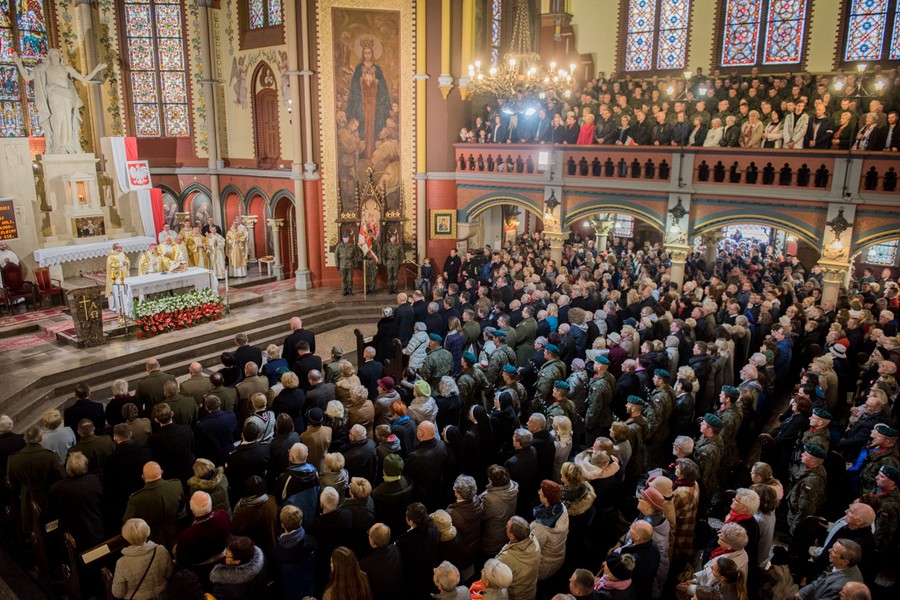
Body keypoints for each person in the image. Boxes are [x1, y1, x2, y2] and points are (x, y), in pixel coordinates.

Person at [11, 48, 106, 154]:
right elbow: (27, 77)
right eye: (53, 55)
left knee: (67, 121)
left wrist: (96, 70)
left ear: (60, 56)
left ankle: (67, 145)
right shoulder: (44, 68)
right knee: (57, 120)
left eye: (57, 55)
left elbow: (84, 79)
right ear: (49, 57)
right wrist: (18, 63)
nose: (55, 57)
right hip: (54, 95)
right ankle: (58, 146)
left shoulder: (66, 68)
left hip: (67, 96)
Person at [123, 461, 185, 550]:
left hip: (152, 543)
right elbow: (181, 507)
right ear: (162, 472)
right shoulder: (176, 485)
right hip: (176, 535)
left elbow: (128, 524)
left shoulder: (136, 499)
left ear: (143, 477)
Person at [111, 518, 173, 600]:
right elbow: (169, 573)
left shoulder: (122, 563)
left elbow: (118, 593)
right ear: (147, 531)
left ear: (127, 537)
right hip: (164, 595)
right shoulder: (161, 550)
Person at [209, 536, 267, 600]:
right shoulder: (262, 560)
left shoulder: (225, 584)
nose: (225, 555)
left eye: (228, 556)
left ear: (237, 561)